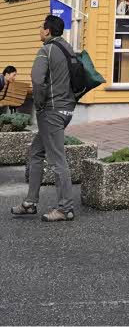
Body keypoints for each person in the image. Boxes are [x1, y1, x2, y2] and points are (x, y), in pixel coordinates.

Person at [11, 16, 76, 222]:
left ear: (47, 31)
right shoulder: (68, 49)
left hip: (51, 112)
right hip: (66, 110)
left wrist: (39, 105)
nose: (39, 30)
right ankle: (30, 202)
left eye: (41, 27)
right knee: (36, 153)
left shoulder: (46, 50)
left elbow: (37, 80)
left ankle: (65, 209)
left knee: (58, 160)